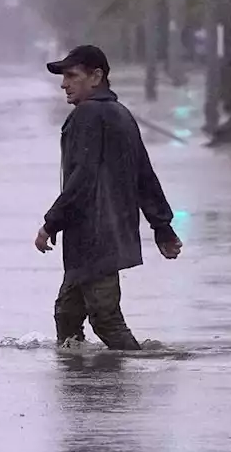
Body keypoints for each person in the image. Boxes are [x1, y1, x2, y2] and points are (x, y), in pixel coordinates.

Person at [34, 45, 183, 351]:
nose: (64, 84)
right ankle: (83, 381)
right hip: (108, 234)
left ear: (96, 76)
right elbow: (145, 175)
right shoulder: (121, 114)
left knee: (105, 319)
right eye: (63, 77)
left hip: (94, 237)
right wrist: (162, 228)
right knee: (67, 315)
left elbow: (82, 178)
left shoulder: (88, 115)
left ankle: (121, 389)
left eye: (72, 75)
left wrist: (50, 223)